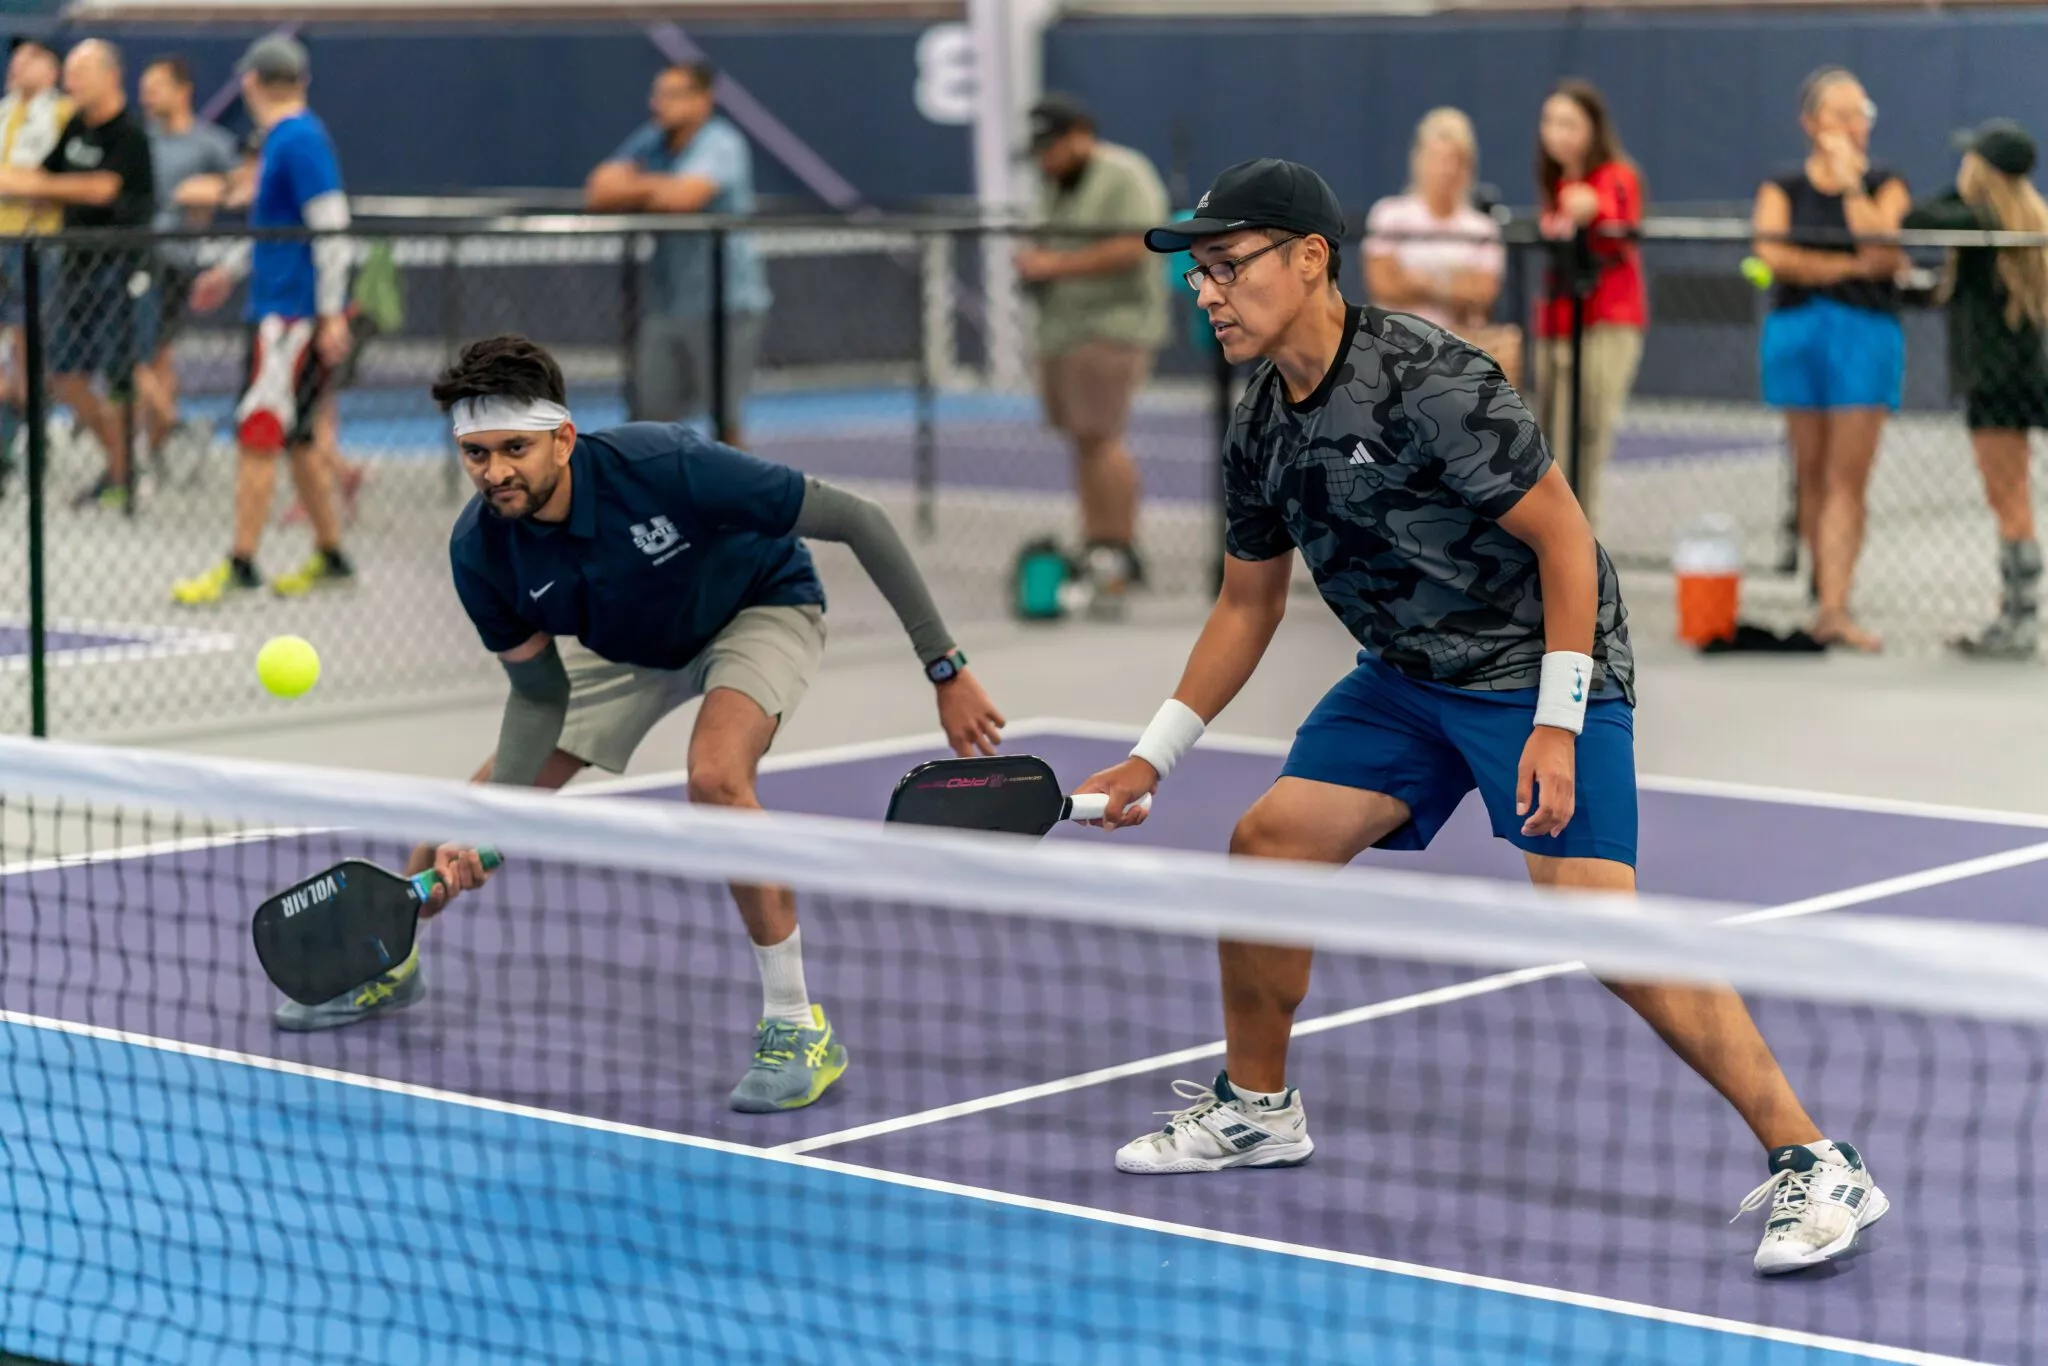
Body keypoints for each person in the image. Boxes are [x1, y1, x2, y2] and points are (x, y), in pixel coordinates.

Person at [1078, 157, 1886, 1276]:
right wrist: (1147, 755)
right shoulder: (1260, 419)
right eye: (1199, 276)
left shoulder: (1428, 379)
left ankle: (1814, 1157)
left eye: (1227, 267)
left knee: (1599, 922)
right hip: (1405, 676)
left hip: (1535, 662)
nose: (1206, 294)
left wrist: (1556, 718)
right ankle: (1257, 1107)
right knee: (1265, 846)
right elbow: (1246, 600)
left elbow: (1563, 540)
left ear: (1310, 260)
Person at [273, 333, 1007, 1113]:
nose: (495, 473)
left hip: (757, 608)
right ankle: (389, 958)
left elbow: (857, 519)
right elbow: (537, 696)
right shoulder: (480, 549)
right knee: (469, 807)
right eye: (476, 454)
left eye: (514, 448)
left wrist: (945, 667)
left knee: (717, 778)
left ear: (564, 436)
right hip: (625, 648)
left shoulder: (667, 466)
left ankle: (799, 1025)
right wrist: (492, 825)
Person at [171, 35, 355, 604]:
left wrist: (328, 314)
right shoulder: (286, 138)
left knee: (258, 433)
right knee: (298, 439)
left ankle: (242, 562)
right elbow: (283, 229)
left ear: (249, 82)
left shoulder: (297, 139)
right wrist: (228, 270)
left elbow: (331, 226)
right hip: (285, 308)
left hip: (287, 317)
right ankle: (332, 555)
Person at [1753, 67, 1909, 653]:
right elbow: (1774, 254)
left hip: (1865, 335)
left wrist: (1850, 187)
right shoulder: (1782, 187)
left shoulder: (1886, 183)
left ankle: (1836, 607)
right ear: (1812, 123)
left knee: (1848, 476)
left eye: (1861, 114)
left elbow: (1883, 249)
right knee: (1811, 473)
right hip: (1797, 332)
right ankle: (1826, 597)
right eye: (1842, 115)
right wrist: (1845, 268)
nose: (1855, 126)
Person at [1016, 93, 1170, 614]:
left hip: (1112, 329)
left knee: (1103, 438)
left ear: (1080, 135)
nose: (1045, 159)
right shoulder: (1054, 185)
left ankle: (1122, 546)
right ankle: (1096, 541)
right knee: (1083, 441)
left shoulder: (1125, 174)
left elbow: (1136, 244)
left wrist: (1054, 266)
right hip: (1060, 331)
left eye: (1052, 147)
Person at [1905, 120, 2048, 660]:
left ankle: (2020, 619)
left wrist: (1966, 187)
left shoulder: (1983, 219)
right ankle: (2014, 615)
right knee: (2008, 496)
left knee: (2007, 497)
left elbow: (1915, 217)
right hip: (2014, 373)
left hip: (1996, 379)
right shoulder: (2017, 219)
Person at [0, 39, 155, 511]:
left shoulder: (129, 135)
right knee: (63, 373)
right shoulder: (74, 130)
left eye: (80, 74)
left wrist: (43, 186)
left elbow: (100, 188)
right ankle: (121, 464)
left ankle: (127, 471)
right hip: (74, 267)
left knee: (123, 373)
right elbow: (40, 183)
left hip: (121, 270)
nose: (71, 84)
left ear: (111, 77)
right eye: (69, 74)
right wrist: (41, 187)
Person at [585, 62, 770, 445]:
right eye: (657, 94)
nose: (659, 104)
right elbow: (599, 190)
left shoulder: (722, 143)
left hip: (726, 305)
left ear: (703, 100)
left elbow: (683, 199)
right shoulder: (651, 140)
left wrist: (637, 185)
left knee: (724, 419)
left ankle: (737, 500)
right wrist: (658, 188)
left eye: (672, 95)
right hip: (665, 304)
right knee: (647, 417)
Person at [1532, 79, 1646, 533]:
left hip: (1606, 323)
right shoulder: (1556, 184)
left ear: (1592, 129)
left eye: (1568, 123)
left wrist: (1594, 209)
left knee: (1587, 434)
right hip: (1557, 325)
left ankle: (1579, 542)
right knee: (1552, 441)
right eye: (1549, 122)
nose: (1556, 133)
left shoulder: (1615, 176)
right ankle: (1556, 540)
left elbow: (1621, 226)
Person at [1364, 106, 1521, 387]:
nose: (1446, 170)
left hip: (1460, 344)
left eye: (1455, 160)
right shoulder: (1389, 215)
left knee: (1507, 343)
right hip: (1396, 343)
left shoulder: (1481, 228)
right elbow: (1384, 284)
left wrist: (1420, 282)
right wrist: (1454, 284)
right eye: (1437, 158)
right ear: (1418, 160)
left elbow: (1483, 294)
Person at [136, 53, 236, 472]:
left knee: (153, 356)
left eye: (156, 85)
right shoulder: (141, 140)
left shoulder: (209, 142)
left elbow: (244, 184)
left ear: (183, 91)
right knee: (143, 356)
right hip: (134, 256)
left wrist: (211, 189)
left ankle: (168, 434)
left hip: (175, 262)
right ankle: (165, 439)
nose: (147, 95)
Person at [0, 38, 71, 479]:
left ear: (51, 68)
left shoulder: (64, 115)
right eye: (15, 58)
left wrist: (24, 183)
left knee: (30, 345)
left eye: (29, 59)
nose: (17, 66)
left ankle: (30, 437)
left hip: (37, 244)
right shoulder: (4, 112)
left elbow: (55, 182)